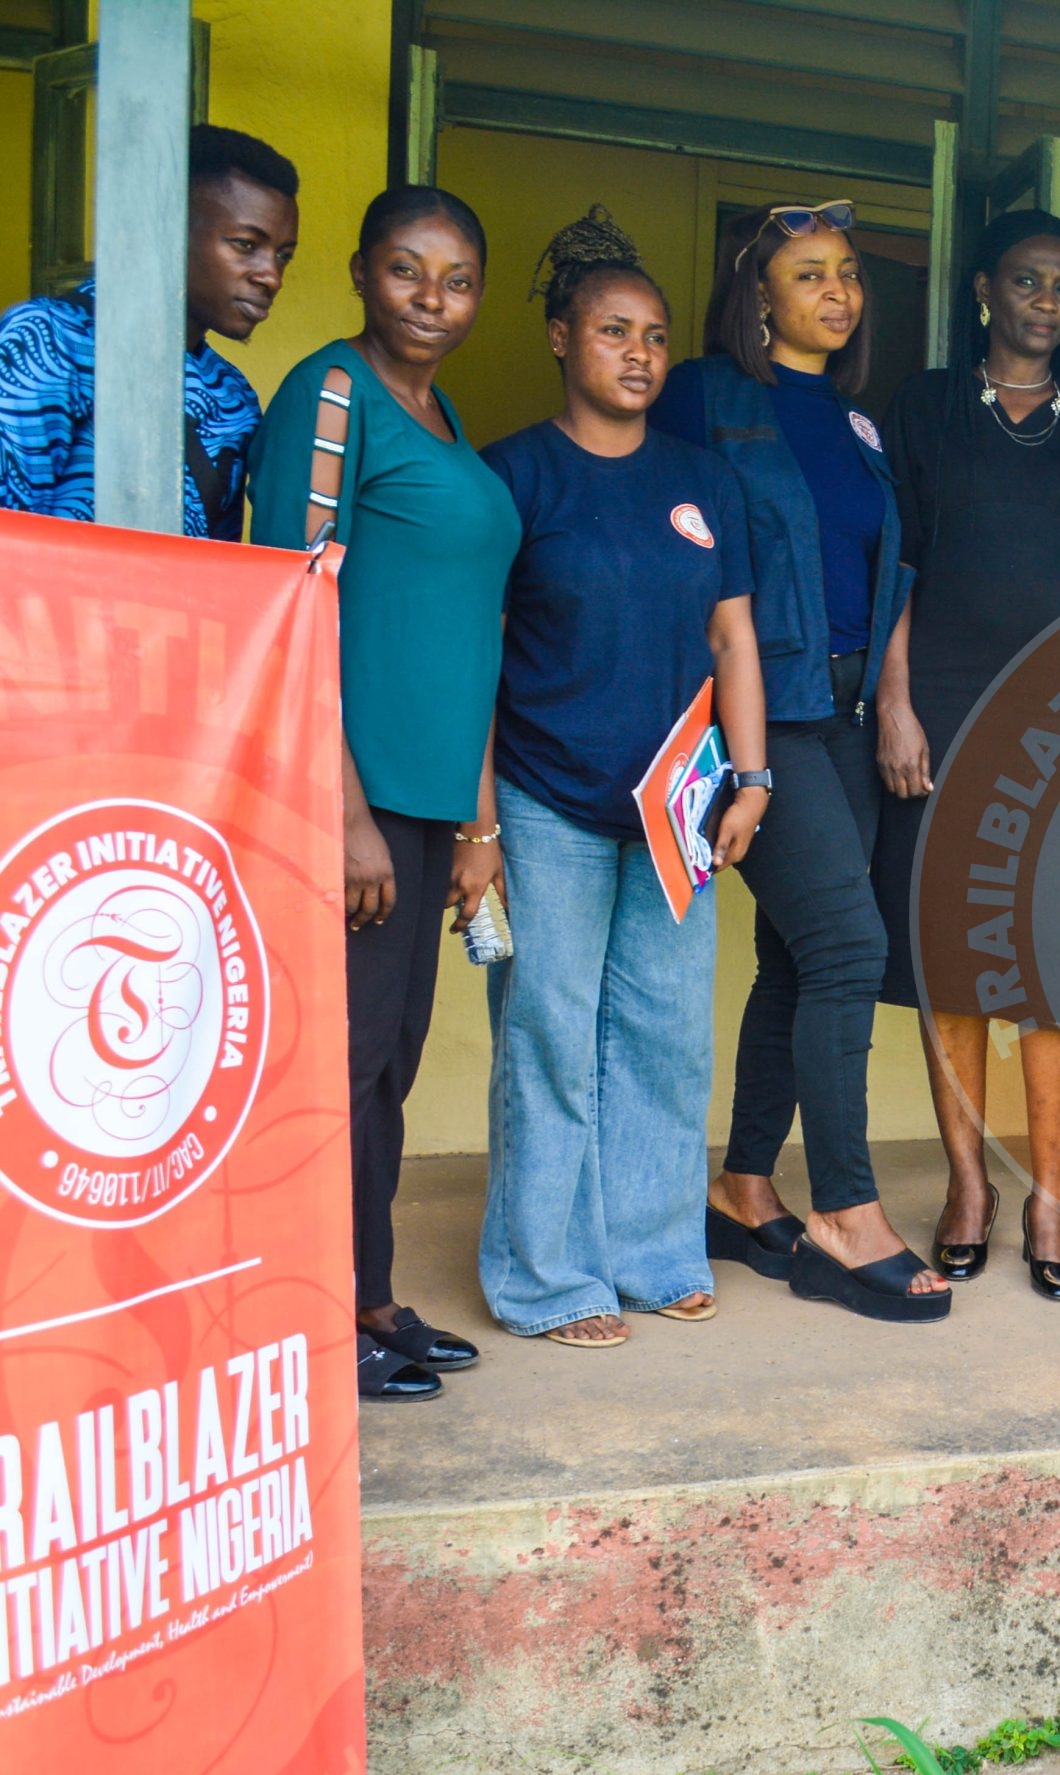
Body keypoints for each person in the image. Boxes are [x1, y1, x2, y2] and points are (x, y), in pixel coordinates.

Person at [475, 211, 770, 1345]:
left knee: (665, 1033)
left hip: (677, 806)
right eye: (613, 330)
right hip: (546, 797)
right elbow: (481, 652)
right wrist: (480, 819)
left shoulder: (702, 480)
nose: (639, 353)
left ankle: (652, 1254)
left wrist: (753, 778)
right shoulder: (516, 474)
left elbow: (732, 636)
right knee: (549, 1036)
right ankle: (546, 1276)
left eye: (653, 334)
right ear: (561, 337)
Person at [652, 199, 948, 1324]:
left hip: (851, 715)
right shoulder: (705, 395)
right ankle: (847, 1213)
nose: (838, 292)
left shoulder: (860, 425)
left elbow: (892, 572)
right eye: (810, 272)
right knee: (848, 947)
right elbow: (662, 532)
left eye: (849, 273)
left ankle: (741, 1187)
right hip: (764, 714)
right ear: (759, 296)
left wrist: (896, 704)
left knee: (794, 957)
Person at [247, 185, 520, 1402]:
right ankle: (314, 1317)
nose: (431, 298)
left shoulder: (441, 414)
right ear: (362, 271)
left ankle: (369, 1293)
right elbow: (290, 601)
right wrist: (345, 809)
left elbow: (472, 637)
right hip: (349, 795)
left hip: (427, 803)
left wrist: (478, 820)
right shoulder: (333, 391)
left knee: (388, 1060)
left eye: (456, 280)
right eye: (407, 270)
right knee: (340, 1063)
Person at [876, 209, 1060, 1301]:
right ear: (982, 291)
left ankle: (1048, 1194)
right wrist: (894, 702)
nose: (1045, 302)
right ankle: (969, 1186)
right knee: (950, 963)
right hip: (943, 713)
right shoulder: (923, 408)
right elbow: (893, 564)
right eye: (1025, 281)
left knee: (1051, 967)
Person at [0, 124, 298, 539]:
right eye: (246, 244)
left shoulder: (234, 396)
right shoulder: (48, 340)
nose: (272, 277)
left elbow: (218, 561)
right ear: (167, 229)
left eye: (283, 256)